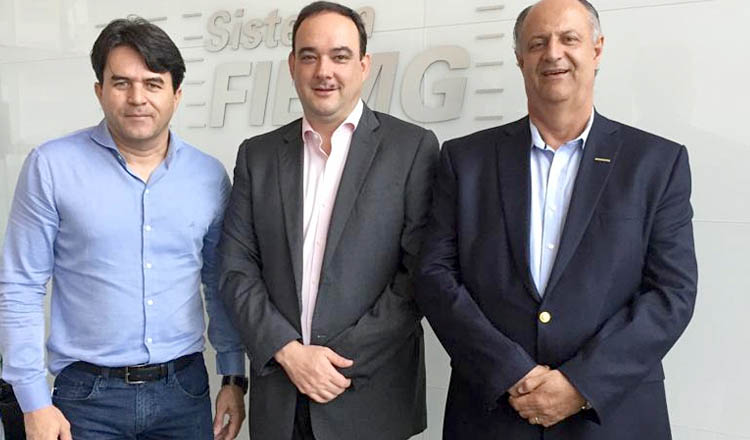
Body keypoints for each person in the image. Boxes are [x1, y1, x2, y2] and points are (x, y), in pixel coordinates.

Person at [415, 0, 697, 438]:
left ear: (596, 50)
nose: (553, 53)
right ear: (519, 58)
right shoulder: (465, 160)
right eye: (538, 43)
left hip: (611, 417)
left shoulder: (656, 163)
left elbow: (671, 293)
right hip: (493, 413)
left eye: (569, 39)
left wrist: (579, 384)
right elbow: (436, 276)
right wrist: (510, 371)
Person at [0, 17, 247, 440]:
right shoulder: (51, 167)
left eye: (153, 83)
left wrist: (233, 376)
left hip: (183, 393)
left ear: (176, 95)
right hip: (86, 399)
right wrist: (33, 400)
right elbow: (20, 285)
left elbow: (217, 280)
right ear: (99, 90)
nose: (137, 98)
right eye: (121, 83)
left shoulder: (208, 176)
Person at [218, 2, 439, 439]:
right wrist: (290, 353)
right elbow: (236, 269)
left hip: (369, 400)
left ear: (364, 65)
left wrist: (330, 362)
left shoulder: (412, 149)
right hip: (281, 396)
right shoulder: (257, 156)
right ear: (292, 66)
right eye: (309, 56)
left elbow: (417, 276)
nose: (324, 71)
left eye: (339, 56)